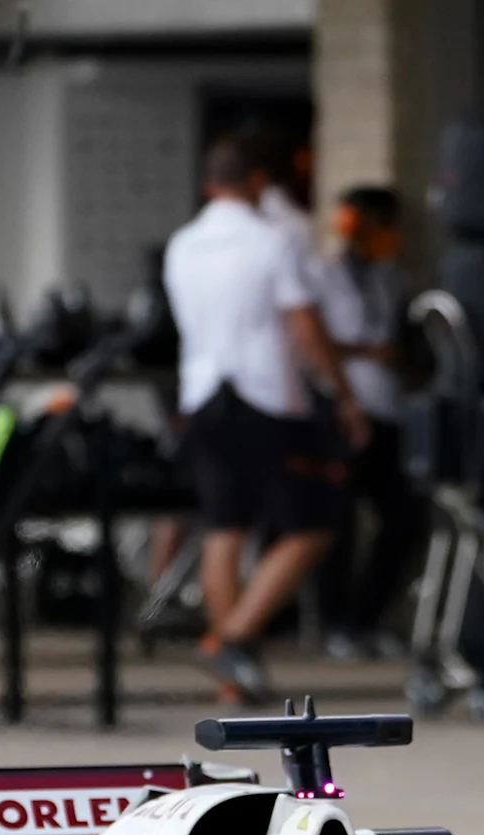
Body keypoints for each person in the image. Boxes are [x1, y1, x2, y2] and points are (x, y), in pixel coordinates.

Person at [162, 135, 363, 702]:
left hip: (202, 394)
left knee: (225, 528)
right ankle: (234, 637)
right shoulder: (272, 242)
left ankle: (233, 679)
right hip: (267, 395)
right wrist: (341, 392)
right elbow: (302, 324)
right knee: (311, 524)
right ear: (257, 183)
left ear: (208, 186)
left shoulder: (182, 245)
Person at [315, 185, 420, 658]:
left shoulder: (390, 278)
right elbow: (312, 342)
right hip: (340, 409)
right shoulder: (322, 275)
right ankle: (336, 624)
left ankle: (369, 618)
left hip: (386, 407)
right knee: (337, 524)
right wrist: (364, 352)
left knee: (403, 519)